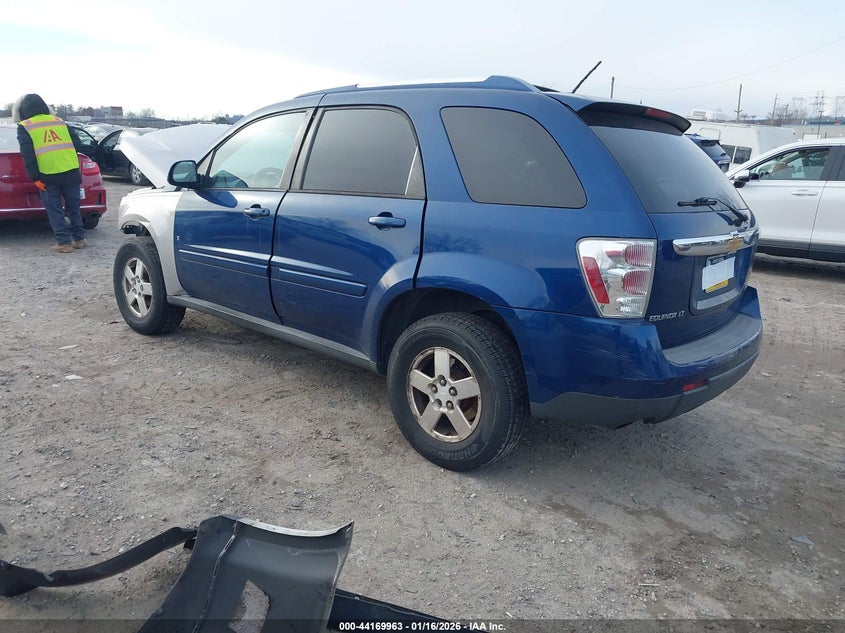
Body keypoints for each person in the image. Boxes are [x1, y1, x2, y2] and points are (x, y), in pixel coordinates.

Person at [13, 93, 86, 253]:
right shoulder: (59, 121)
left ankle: (64, 243)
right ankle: (79, 239)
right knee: (74, 207)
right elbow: (77, 143)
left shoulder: (25, 126)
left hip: (48, 175)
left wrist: (35, 178)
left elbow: (27, 153)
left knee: (55, 210)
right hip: (71, 171)